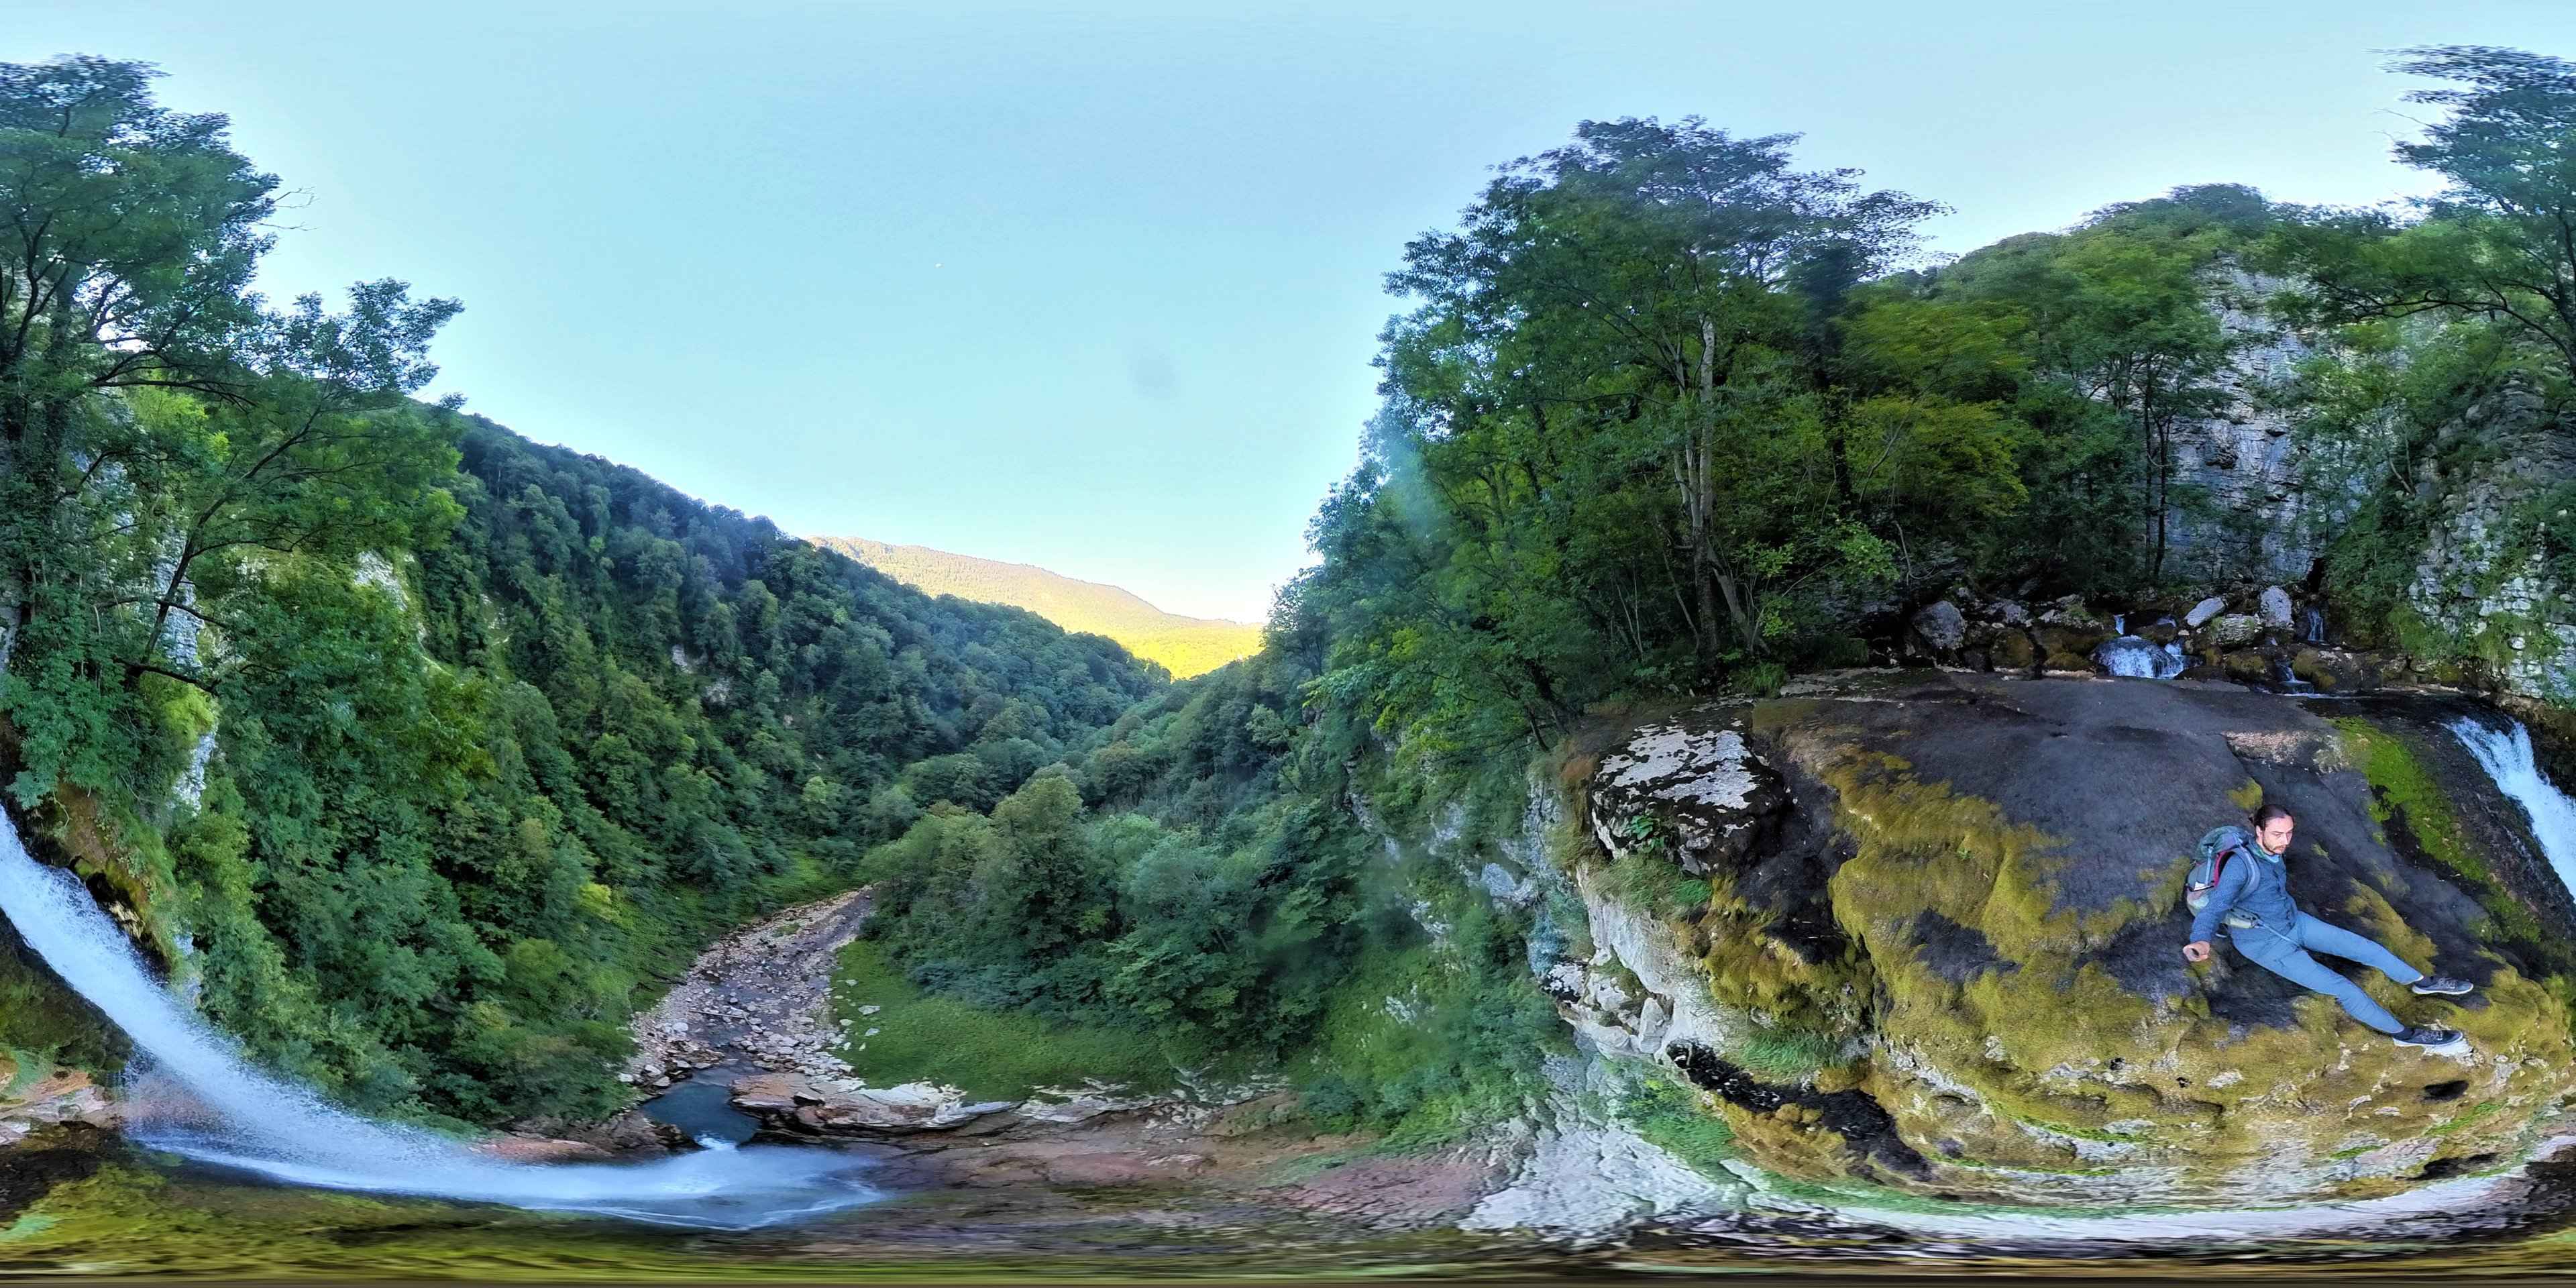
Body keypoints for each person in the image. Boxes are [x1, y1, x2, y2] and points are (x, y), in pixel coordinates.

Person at [2184, 804, 2473, 1050]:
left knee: (2365, 948)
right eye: (2277, 834)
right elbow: (2218, 905)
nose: (2285, 841)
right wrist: (2201, 940)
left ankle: (2422, 983)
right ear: (2259, 832)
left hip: (2294, 921)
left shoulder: (2271, 850)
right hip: (2266, 945)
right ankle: (2405, 1036)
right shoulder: (2240, 867)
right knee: (2344, 989)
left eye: (2289, 833)